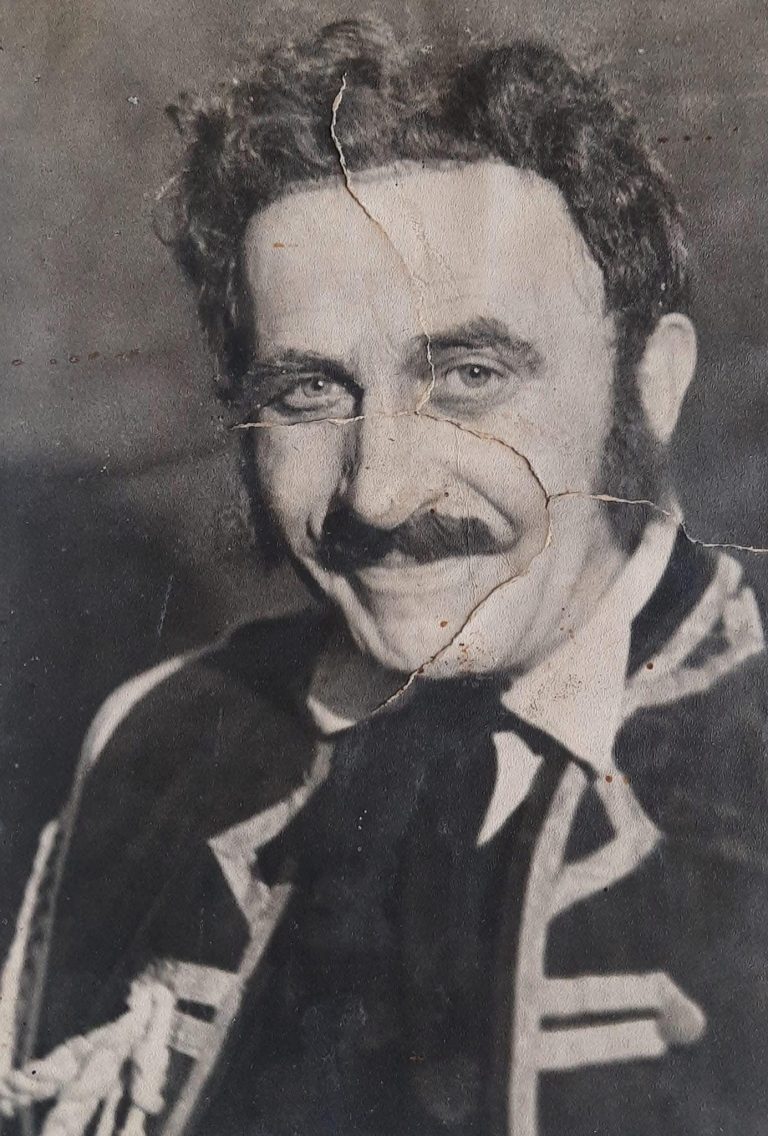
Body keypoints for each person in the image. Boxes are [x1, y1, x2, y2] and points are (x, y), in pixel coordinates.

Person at [1, 18, 767, 1136]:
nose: (380, 493)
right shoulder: (162, 750)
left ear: (649, 384)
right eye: (308, 392)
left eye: (469, 374)